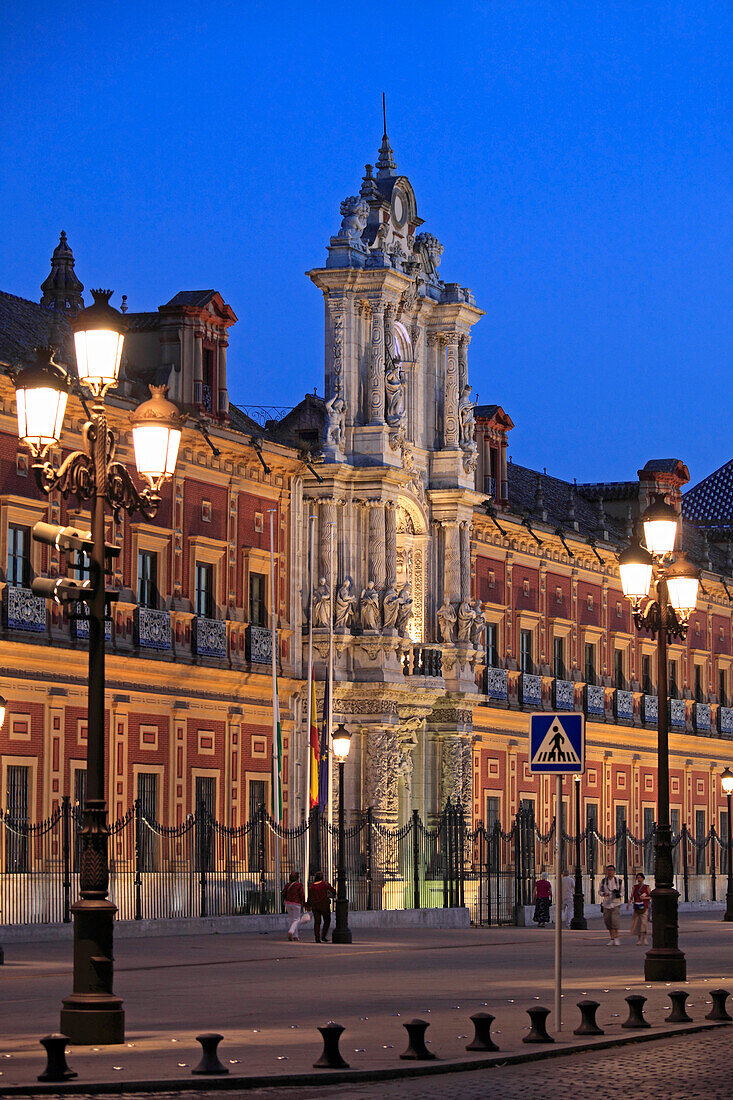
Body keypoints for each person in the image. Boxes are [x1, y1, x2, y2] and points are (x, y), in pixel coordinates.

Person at [307, 870, 336, 943]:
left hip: (315, 906)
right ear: (322, 877)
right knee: (327, 920)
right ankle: (323, 935)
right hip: (324, 905)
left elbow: (309, 897)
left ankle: (317, 937)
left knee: (317, 922)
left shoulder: (312, 886)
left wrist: (308, 905)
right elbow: (333, 890)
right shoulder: (325, 884)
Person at [599, 863, 623, 945]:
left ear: (614, 872)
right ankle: (611, 938)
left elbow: (622, 892)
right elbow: (600, 891)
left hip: (616, 903)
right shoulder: (603, 881)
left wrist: (618, 894)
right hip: (606, 903)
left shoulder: (618, 881)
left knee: (614, 921)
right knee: (607, 921)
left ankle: (616, 938)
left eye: (611, 870)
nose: (610, 872)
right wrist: (603, 894)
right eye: (608, 870)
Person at [282, 870, 307, 942]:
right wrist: (304, 903)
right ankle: (291, 931)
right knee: (296, 919)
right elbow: (301, 894)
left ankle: (295, 936)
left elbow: (283, 892)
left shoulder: (287, 885)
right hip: (296, 903)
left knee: (292, 919)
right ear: (297, 878)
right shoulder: (299, 885)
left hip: (287, 903)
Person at [627, 871, 651, 945]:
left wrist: (645, 898)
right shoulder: (635, 887)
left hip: (644, 906)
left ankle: (644, 938)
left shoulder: (646, 887)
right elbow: (631, 896)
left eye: (640, 877)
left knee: (644, 923)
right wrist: (629, 903)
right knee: (637, 923)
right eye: (638, 877)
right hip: (637, 907)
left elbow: (650, 897)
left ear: (643, 878)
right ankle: (639, 939)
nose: (639, 879)